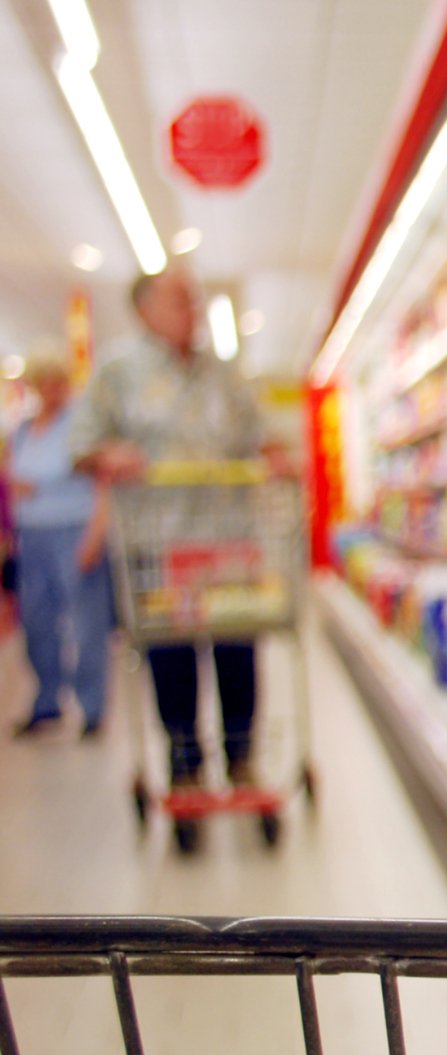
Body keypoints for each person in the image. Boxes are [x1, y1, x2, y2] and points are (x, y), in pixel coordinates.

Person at [75, 269, 281, 785]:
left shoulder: (226, 374)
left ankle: (241, 757)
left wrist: (278, 458)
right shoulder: (117, 373)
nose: (192, 310)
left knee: (236, 646)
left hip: (227, 539)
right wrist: (109, 454)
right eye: (179, 302)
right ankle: (184, 760)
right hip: (158, 543)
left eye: (194, 301)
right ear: (144, 310)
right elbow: (81, 448)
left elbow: (264, 435)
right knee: (171, 653)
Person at [7, 353, 112, 737]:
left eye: (58, 380)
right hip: (31, 534)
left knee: (85, 622)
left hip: (75, 528)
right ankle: (47, 700)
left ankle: (91, 708)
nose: (52, 389)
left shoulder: (80, 427)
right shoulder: (22, 430)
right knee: (36, 622)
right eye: (44, 380)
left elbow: (102, 482)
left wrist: (96, 533)